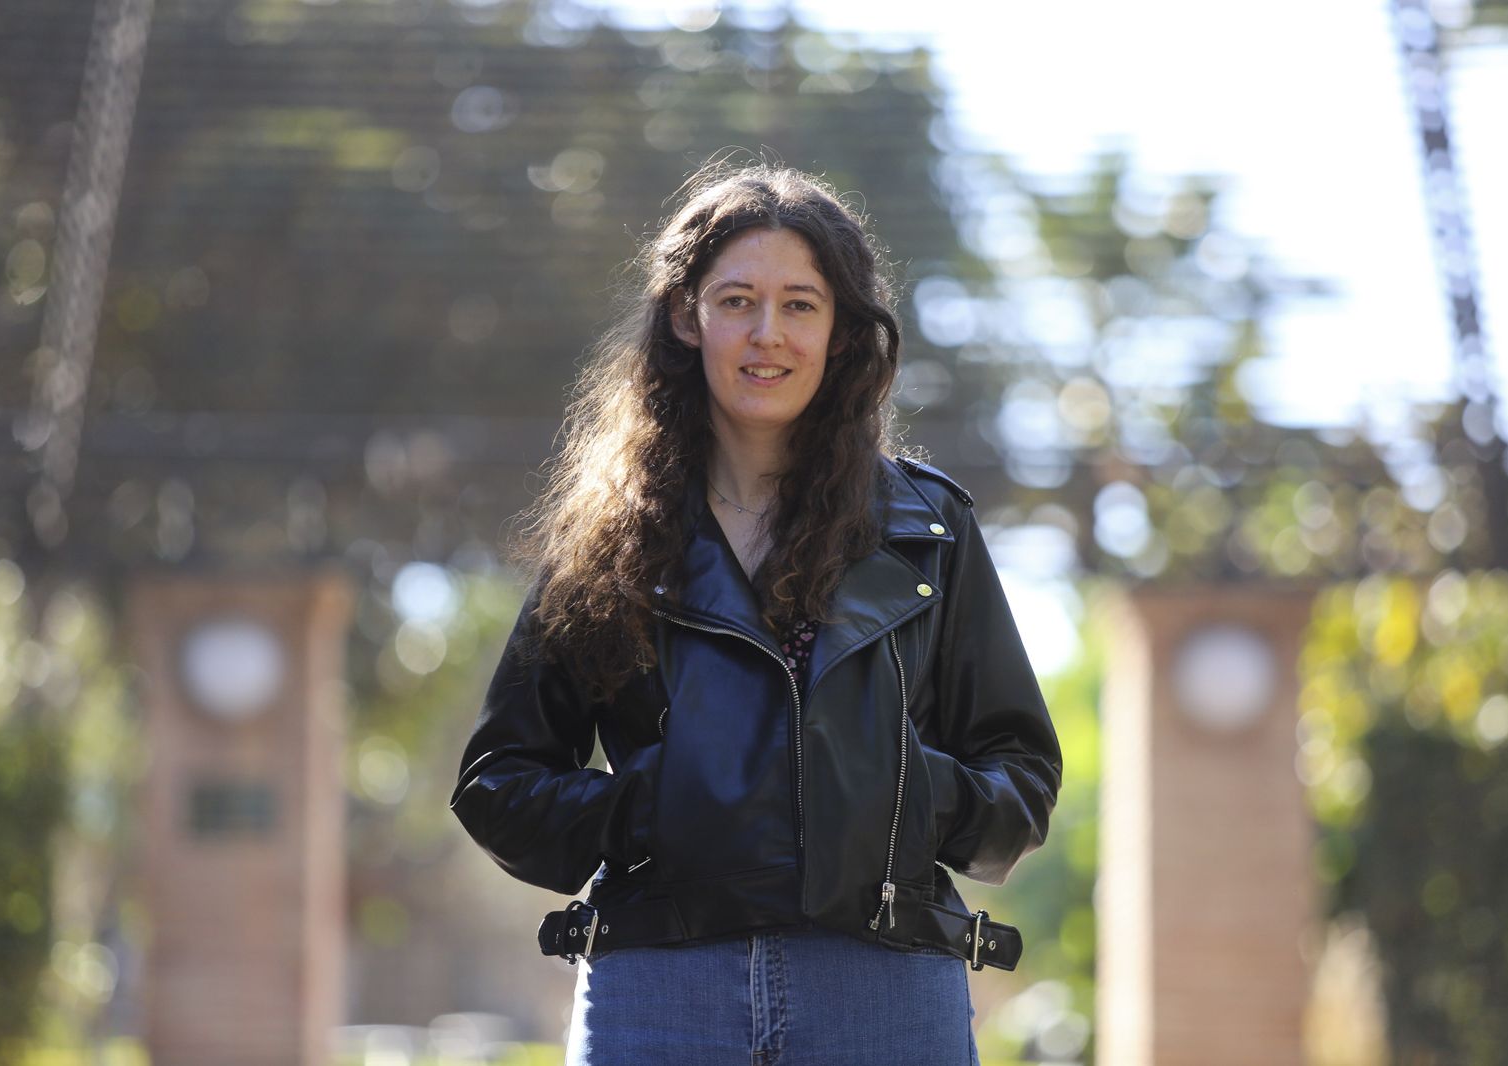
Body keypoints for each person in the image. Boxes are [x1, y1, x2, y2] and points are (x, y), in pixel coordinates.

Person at [450, 160, 1062, 1066]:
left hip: (885, 988)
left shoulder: (929, 529)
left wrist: (897, 796)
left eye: (801, 305)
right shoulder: (607, 539)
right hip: (660, 986)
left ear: (844, 332)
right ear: (686, 316)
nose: (766, 334)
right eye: (737, 299)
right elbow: (500, 784)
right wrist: (651, 807)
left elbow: (1023, 777)